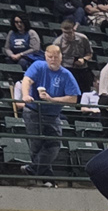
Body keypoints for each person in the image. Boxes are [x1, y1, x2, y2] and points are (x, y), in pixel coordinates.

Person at [22, 44, 80, 175]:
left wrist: (52, 99)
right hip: (33, 111)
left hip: (52, 114)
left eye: (56, 57)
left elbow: (73, 99)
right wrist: (26, 95)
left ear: (61, 57)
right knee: (36, 144)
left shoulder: (66, 74)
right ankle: (45, 177)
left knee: (54, 145)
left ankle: (33, 170)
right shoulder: (38, 66)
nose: (53, 59)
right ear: (46, 57)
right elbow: (27, 80)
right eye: (50, 57)